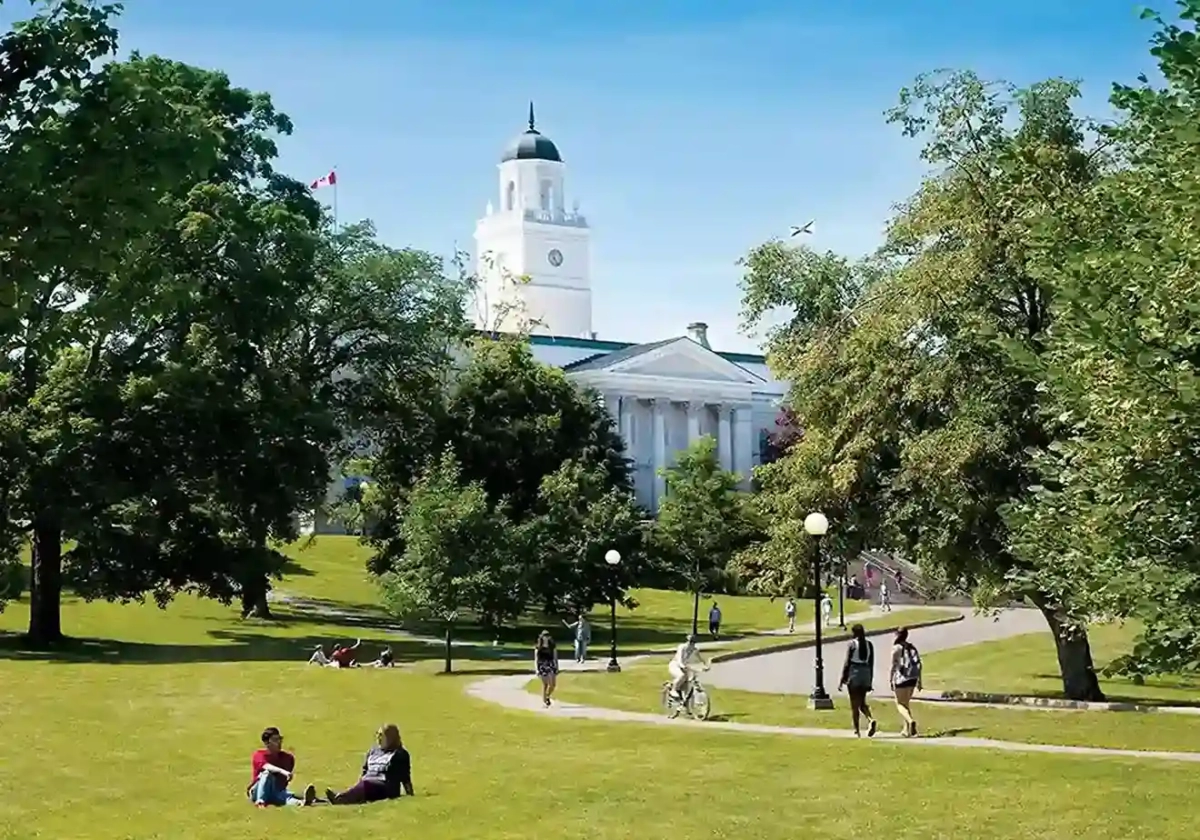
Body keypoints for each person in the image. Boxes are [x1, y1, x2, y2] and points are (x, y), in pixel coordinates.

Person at [325, 723, 414, 805]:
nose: (378, 738)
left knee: (363, 786)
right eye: (377, 735)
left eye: (381, 736)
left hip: (384, 787)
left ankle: (338, 798)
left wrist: (410, 794)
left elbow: (405, 777)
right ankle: (318, 800)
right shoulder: (373, 751)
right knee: (356, 793)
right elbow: (365, 771)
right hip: (366, 785)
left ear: (391, 738)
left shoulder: (399, 754)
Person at [247, 727, 317, 807]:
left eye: (279, 739)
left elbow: (283, 783)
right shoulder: (259, 755)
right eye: (275, 740)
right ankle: (260, 801)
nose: (279, 742)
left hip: (276, 791)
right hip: (257, 791)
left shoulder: (288, 758)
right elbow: (267, 766)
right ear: (267, 743)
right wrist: (283, 771)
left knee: (285, 797)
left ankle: (302, 803)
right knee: (267, 774)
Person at [837, 625, 878, 738]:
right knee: (862, 702)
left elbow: (847, 663)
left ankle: (856, 730)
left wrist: (842, 679)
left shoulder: (852, 644)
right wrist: (870, 680)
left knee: (854, 705)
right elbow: (871, 664)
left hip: (854, 674)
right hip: (865, 674)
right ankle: (870, 719)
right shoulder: (869, 645)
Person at [890, 627, 923, 736]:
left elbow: (894, 665)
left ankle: (910, 721)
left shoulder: (896, 648)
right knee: (906, 704)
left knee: (900, 704)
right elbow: (919, 664)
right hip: (912, 678)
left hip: (901, 678)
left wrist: (891, 679)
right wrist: (919, 681)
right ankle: (906, 730)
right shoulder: (911, 647)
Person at [668, 634, 709, 699]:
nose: (691, 644)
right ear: (687, 641)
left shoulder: (694, 649)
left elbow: (699, 658)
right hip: (675, 665)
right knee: (681, 676)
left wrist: (704, 666)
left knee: (689, 680)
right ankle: (673, 690)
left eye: (693, 643)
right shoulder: (682, 647)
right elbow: (679, 658)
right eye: (690, 642)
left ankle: (684, 701)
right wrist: (682, 665)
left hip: (684, 666)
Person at [534, 630, 559, 707]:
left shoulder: (552, 646)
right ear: (541, 637)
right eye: (545, 636)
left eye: (547, 636)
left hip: (550, 664)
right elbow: (536, 659)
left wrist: (556, 666)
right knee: (545, 684)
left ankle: (547, 696)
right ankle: (545, 700)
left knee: (553, 684)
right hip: (542, 665)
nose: (546, 638)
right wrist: (536, 669)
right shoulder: (538, 647)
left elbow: (555, 657)